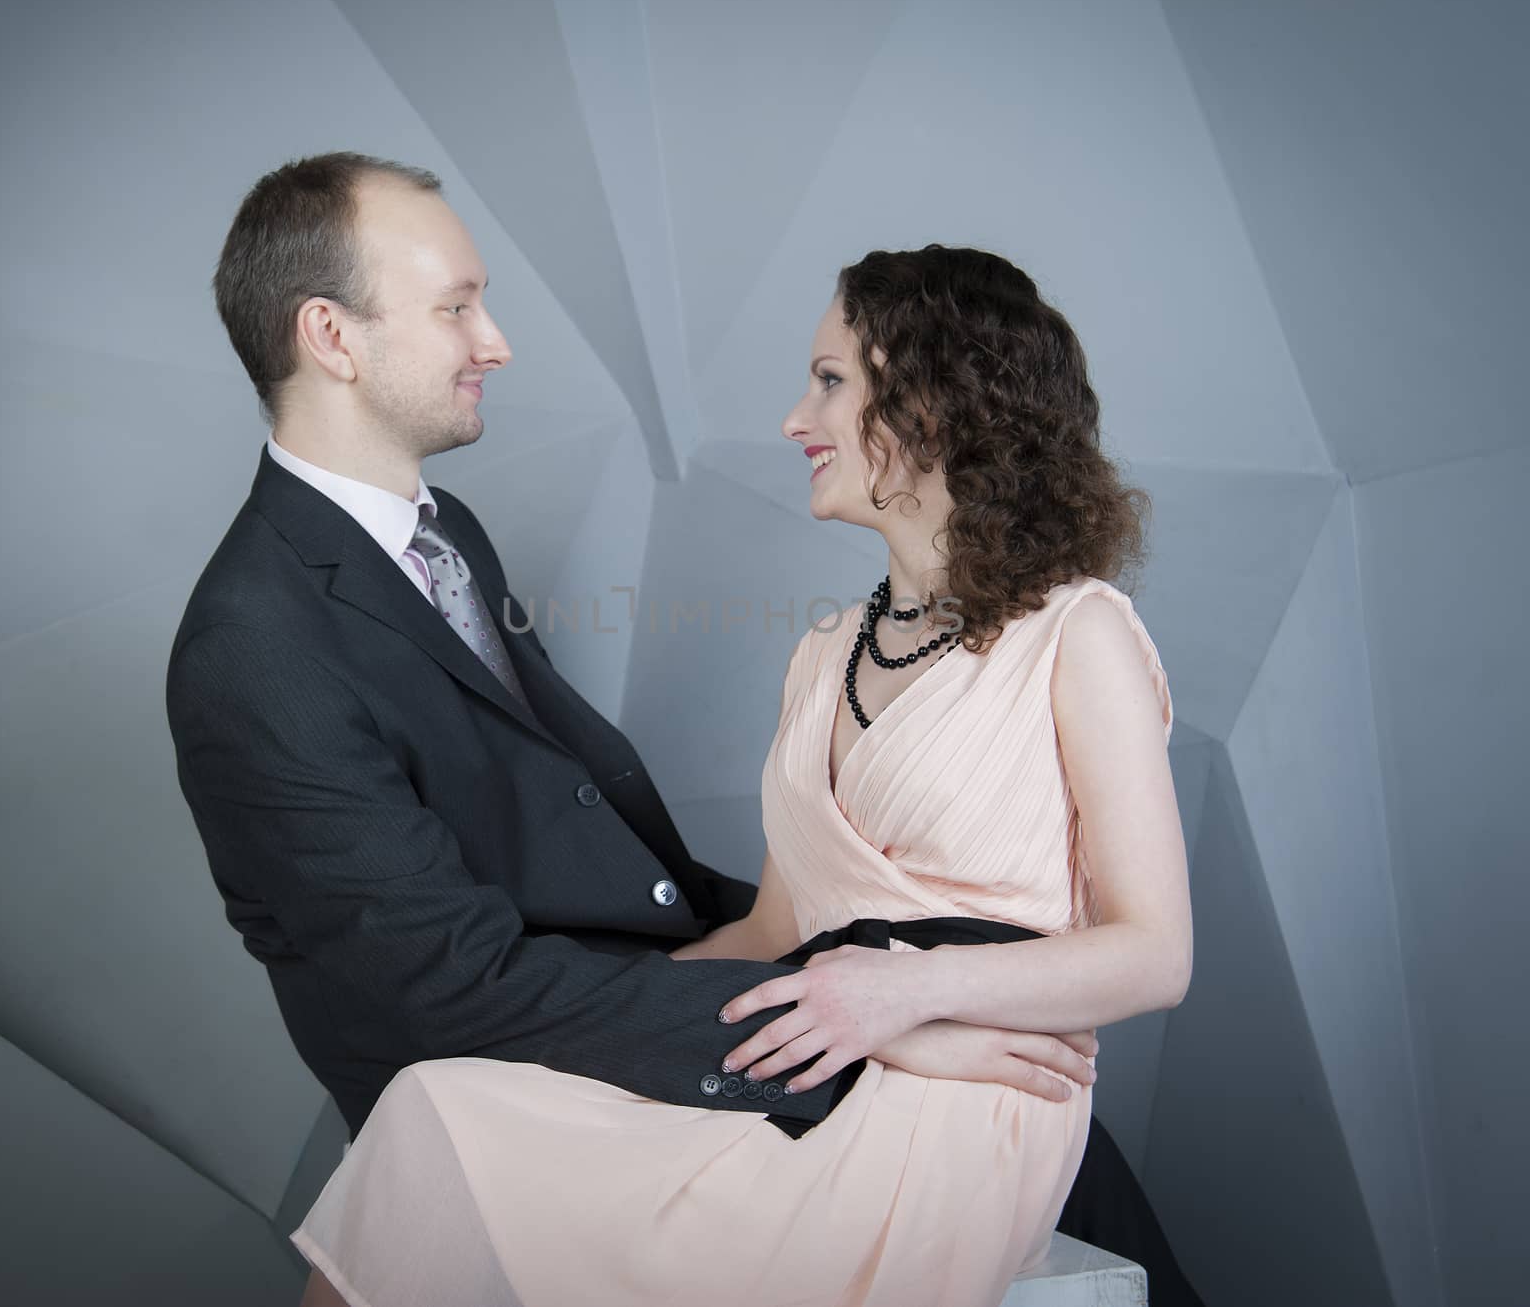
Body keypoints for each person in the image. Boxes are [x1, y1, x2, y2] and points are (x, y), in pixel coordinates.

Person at [164, 156, 1115, 1302]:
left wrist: (867, 986)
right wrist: (845, 1012)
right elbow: (440, 984)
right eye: (456, 306)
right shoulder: (252, 640)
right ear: (331, 334)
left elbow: (557, 803)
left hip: (671, 992)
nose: (496, 340)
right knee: (429, 1141)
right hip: (513, 1054)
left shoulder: (442, 529)